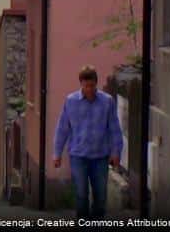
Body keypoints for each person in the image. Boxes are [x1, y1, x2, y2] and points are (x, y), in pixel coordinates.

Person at [53, 65, 123, 219]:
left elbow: (114, 129)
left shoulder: (107, 102)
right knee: (81, 195)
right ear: (81, 84)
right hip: (78, 155)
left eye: (92, 85)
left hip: (100, 156)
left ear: (96, 83)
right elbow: (62, 128)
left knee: (100, 197)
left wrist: (116, 152)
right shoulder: (71, 101)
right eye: (86, 86)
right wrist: (57, 153)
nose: (89, 89)